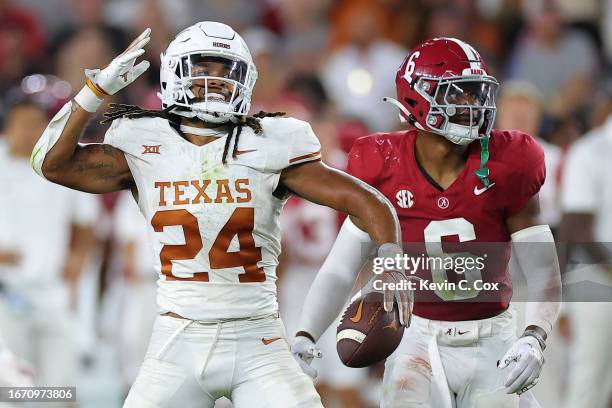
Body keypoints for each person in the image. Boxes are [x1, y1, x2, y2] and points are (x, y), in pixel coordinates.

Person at [31, 22, 409, 408]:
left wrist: (391, 266)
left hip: (256, 338)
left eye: (225, 70)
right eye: (202, 68)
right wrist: (95, 91)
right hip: (177, 335)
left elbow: (369, 203)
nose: (214, 81)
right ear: (174, 72)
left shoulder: (269, 141)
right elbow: (51, 164)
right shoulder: (142, 141)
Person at [292, 37, 562, 407]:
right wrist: (305, 335)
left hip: (493, 337)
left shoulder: (509, 161)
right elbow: (342, 265)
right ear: (418, 99)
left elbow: (544, 270)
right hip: (415, 336)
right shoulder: (382, 163)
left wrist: (534, 335)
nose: (474, 105)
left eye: (477, 93)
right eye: (460, 94)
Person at [0, 98, 97, 389]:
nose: (31, 131)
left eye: (36, 124)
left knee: (61, 387)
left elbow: (86, 223)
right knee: (11, 392)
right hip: (6, 294)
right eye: (23, 124)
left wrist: (76, 264)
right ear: (8, 127)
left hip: (53, 293)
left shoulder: (60, 164)